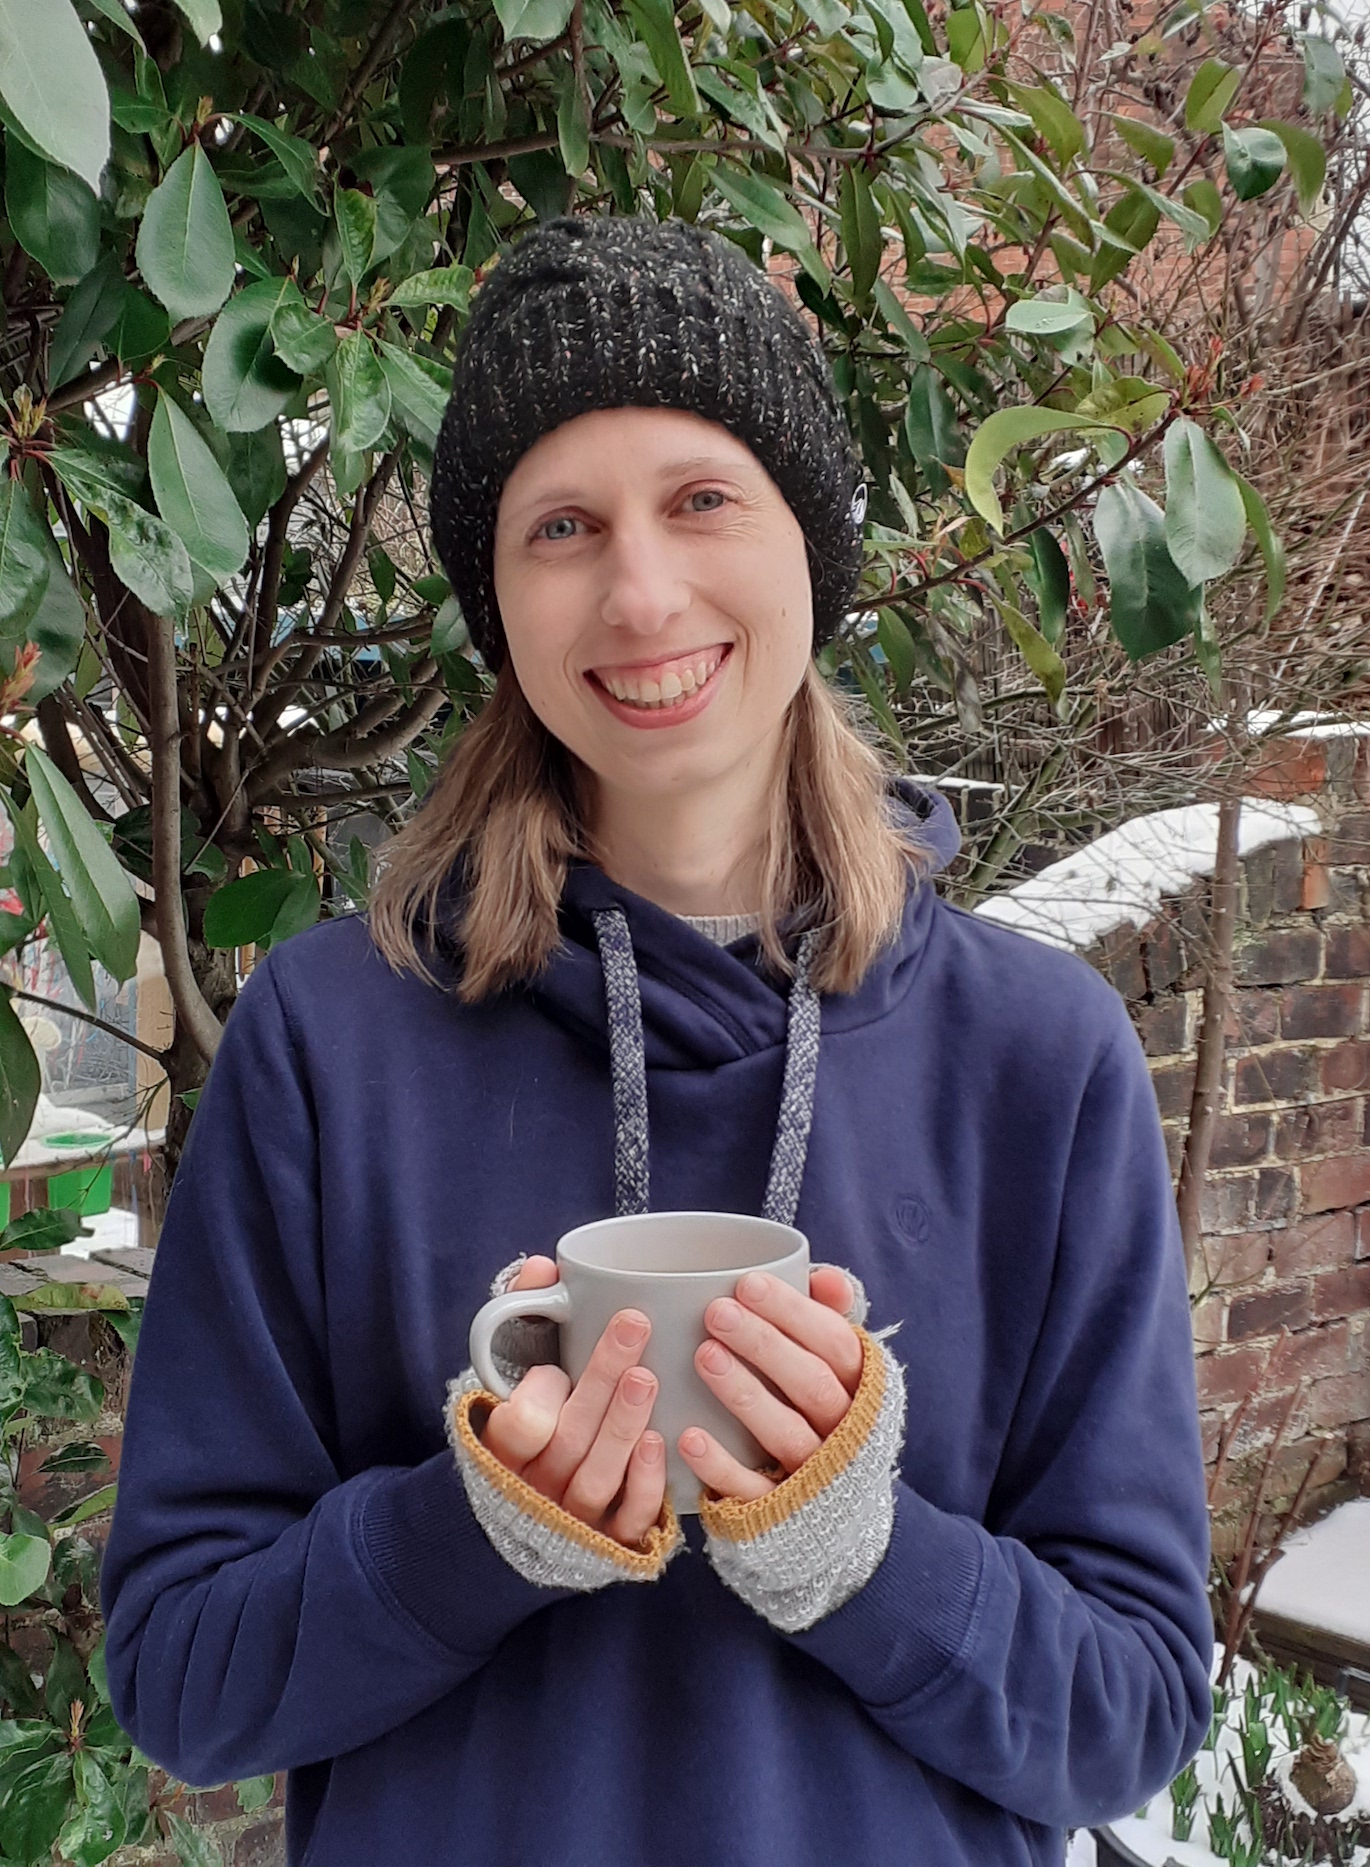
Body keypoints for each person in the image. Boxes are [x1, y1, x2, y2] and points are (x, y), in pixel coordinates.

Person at [101, 215, 1215, 1867]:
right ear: (499, 597)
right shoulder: (331, 1048)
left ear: (809, 545)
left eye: (703, 499)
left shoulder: (1037, 1064)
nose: (639, 591)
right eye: (563, 526)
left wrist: (858, 1550)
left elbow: (1128, 1712)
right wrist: (469, 1531)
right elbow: (184, 1676)